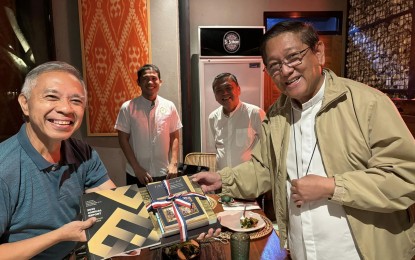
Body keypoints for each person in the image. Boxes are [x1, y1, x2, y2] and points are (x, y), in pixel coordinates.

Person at [192, 21, 415, 260]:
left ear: (318, 53)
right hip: (301, 251)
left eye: (293, 57)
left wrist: (332, 186)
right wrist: (220, 179)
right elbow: (263, 169)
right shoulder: (277, 115)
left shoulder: (366, 103)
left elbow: (405, 175)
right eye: (275, 65)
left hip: (361, 253)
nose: (286, 71)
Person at [0, 61, 116, 259]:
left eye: (76, 101)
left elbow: (111, 202)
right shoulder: (5, 168)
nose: (66, 108)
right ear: (25, 103)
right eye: (52, 97)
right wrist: (59, 236)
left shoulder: (83, 152)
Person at [115, 64, 183, 187]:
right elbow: (122, 139)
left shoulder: (169, 106)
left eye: (153, 78)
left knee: (165, 205)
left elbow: (175, 136)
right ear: (138, 82)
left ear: (160, 82)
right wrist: (137, 168)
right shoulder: (128, 107)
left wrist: (173, 163)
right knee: (138, 206)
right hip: (136, 174)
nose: (150, 82)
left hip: (164, 172)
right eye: (145, 79)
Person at [208, 72, 265, 170]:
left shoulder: (255, 113)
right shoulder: (213, 118)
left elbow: (267, 146)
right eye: (219, 90)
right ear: (215, 96)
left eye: (228, 88)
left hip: (248, 177)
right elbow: (215, 148)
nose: (224, 93)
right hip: (223, 177)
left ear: (238, 90)